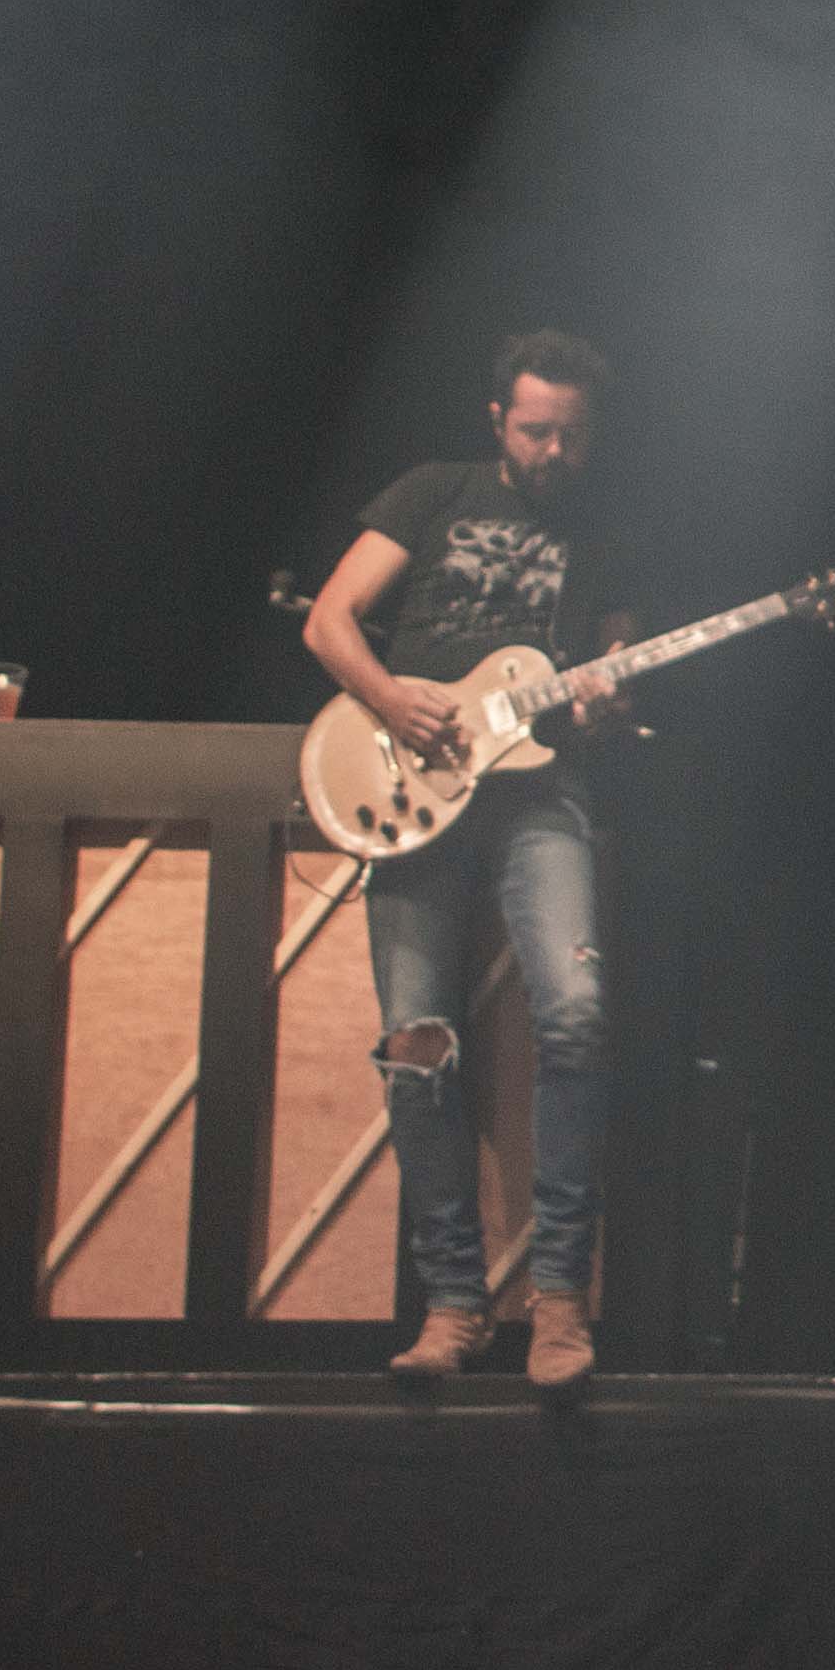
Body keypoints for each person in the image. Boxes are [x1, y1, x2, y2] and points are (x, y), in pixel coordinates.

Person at [303, 329, 634, 1392]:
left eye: (571, 436)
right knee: (416, 1045)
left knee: (575, 1013)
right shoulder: (434, 492)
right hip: (414, 785)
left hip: (538, 794)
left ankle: (560, 1302)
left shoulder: (605, 534)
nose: (553, 453)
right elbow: (329, 621)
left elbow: (614, 674)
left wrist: (607, 696)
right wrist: (392, 698)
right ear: (498, 420)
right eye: (535, 431)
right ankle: (453, 1305)